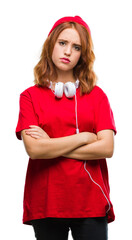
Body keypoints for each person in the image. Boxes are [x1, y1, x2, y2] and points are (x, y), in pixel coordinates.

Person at [15, 15, 117, 240]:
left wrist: (49, 144)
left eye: (76, 46)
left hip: (90, 201)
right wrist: (85, 138)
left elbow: (106, 148)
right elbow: (35, 150)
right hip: (47, 201)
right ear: (51, 44)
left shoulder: (97, 96)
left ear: (83, 54)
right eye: (63, 43)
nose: (68, 51)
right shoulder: (29, 96)